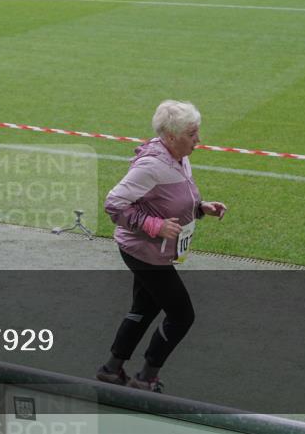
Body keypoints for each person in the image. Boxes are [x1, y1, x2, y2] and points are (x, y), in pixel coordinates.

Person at [96, 99, 227, 392]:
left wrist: (200, 208)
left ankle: (111, 369)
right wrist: (155, 226)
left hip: (156, 250)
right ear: (170, 136)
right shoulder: (152, 165)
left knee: (145, 307)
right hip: (144, 252)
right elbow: (113, 204)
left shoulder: (179, 155)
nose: (198, 139)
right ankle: (145, 378)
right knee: (182, 315)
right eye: (191, 134)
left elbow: (170, 200)